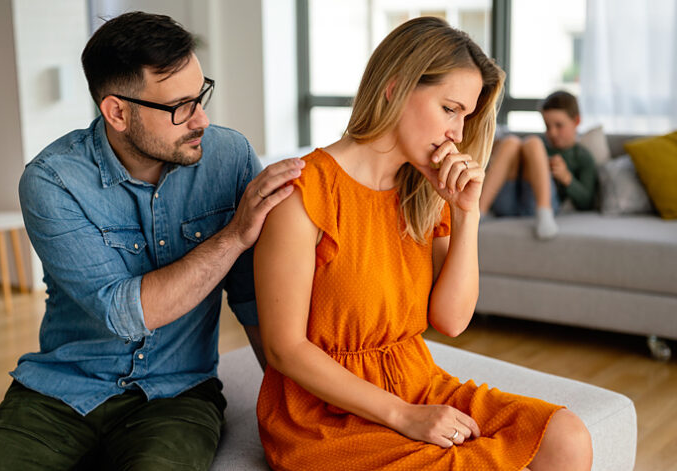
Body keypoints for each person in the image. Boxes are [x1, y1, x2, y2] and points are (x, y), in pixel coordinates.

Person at [0, 12, 303, 471]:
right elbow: (127, 313)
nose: (201, 119)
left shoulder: (229, 157)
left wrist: (292, 414)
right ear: (117, 112)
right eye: (180, 106)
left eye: (201, 95)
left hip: (177, 394)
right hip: (61, 391)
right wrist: (235, 234)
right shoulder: (52, 180)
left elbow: (254, 299)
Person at [254, 17, 592, 471]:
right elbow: (283, 348)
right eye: (450, 108)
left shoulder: (424, 192)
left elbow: (451, 321)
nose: (457, 131)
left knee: (567, 437)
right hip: (324, 415)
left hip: (415, 382)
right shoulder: (304, 193)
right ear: (395, 87)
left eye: (466, 116)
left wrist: (467, 212)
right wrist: (405, 417)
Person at [479, 91, 598, 240]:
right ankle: (478, 213)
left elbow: (587, 202)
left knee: (534, 143)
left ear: (576, 121)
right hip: (508, 201)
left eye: (559, 125)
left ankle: (544, 213)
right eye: (547, 126)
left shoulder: (582, 156)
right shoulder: (542, 144)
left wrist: (567, 178)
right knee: (510, 142)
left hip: (534, 205)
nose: (552, 133)